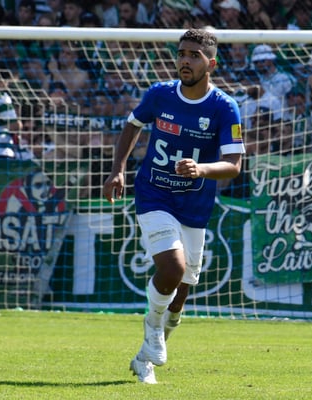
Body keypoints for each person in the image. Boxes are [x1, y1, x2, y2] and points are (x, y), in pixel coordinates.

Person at [102, 28, 245, 384]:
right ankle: (152, 327)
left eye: (195, 55)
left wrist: (202, 169)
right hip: (154, 194)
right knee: (172, 267)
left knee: (179, 300)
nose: (185, 60)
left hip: (194, 204)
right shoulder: (160, 94)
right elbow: (132, 126)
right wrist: (118, 170)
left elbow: (234, 165)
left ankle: (144, 359)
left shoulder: (224, 107)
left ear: (211, 64)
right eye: (181, 53)